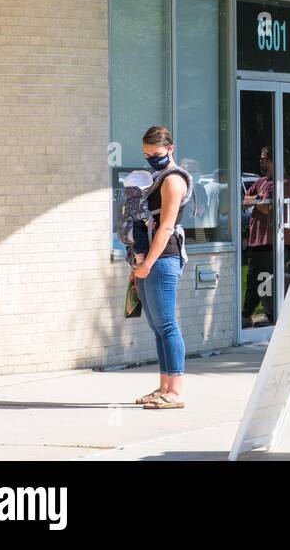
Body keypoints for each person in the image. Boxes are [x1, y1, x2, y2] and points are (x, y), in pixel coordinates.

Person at [132, 126, 192, 410]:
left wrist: (148, 263)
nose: (150, 160)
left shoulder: (173, 180)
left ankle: (176, 391)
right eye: (146, 155)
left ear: (170, 148)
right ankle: (165, 386)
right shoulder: (156, 178)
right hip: (151, 259)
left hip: (164, 258)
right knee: (157, 327)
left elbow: (166, 226)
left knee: (167, 324)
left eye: (155, 154)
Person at [241, 145, 290, 328]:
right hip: (258, 240)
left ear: (275, 161)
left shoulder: (285, 183)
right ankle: (248, 314)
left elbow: (267, 208)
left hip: (277, 240)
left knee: (271, 281)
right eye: (261, 159)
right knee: (254, 279)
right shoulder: (260, 182)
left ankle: (271, 315)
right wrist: (259, 198)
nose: (262, 163)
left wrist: (257, 200)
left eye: (264, 159)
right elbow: (244, 201)